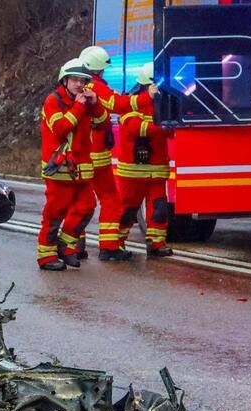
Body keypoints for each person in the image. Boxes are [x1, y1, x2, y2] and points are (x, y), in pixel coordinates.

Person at [79, 45, 158, 261]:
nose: (103, 73)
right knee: (111, 198)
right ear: (96, 70)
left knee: (79, 201)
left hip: (81, 156)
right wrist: (146, 98)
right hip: (96, 157)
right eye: (102, 70)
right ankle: (109, 247)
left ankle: (75, 247)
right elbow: (119, 104)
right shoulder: (95, 87)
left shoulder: (77, 88)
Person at [37, 58, 101, 271]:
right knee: (55, 213)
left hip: (81, 169)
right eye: (74, 80)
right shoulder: (53, 101)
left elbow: (101, 123)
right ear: (64, 81)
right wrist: (79, 107)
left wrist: (94, 103)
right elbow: (60, 129)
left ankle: (66, 246)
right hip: (60, 170)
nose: (79, 85)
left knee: (87, 207)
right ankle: (46, 255)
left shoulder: (84, 101)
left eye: (82, 81)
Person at [115, 63, 173, 256]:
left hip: (156, 169)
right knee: (127, 211)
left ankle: (156, 244)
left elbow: (172, 130)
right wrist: (161, 128)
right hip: (132, 172)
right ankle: (115, 243)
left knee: (159, 209)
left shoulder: (165, 104)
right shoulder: (131, 103)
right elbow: (135, 128)